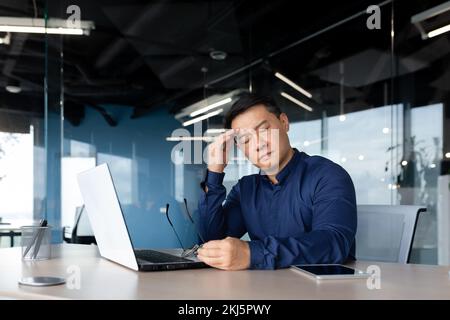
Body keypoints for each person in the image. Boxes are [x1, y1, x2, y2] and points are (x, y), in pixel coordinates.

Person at [196, 93, 357, 270]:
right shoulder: (246, 189)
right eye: (246, 140)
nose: (258, 144)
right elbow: (212, 243)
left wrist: (253, 254)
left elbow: (334, 242)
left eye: (263, 130)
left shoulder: (327, 175)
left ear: (284, 122)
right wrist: (214, 173)